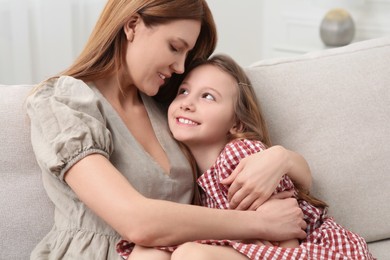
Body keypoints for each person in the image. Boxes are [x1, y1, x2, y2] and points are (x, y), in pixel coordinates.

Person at [26, 1, 312, 259]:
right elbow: (137, 222)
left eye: (187, 55)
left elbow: (283, 184)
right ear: (132, 25)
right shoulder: (64, 101)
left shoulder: (170, 110)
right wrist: (262, 224)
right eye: (175, 47)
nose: (180, 67)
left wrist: (280, 158)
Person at [120, 54, 372, 259]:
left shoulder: (240, 156)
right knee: (147, 251)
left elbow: (288, 234)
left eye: (208, 96)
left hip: (311, 252)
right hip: (257, 249)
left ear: (237, 124)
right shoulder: (195, 177)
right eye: (184, 91)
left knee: (191, 255)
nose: (187, 103)